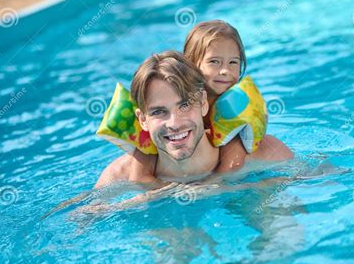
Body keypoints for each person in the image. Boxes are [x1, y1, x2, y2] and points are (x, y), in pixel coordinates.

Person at [95, 51, 292, 188]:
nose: (174, 123)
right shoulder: (119, 176)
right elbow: (80, 220)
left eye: (184, 106)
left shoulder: (264, 154)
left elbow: (314, 179)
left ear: (204, 103)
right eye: (158, 112)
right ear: (142, 119)